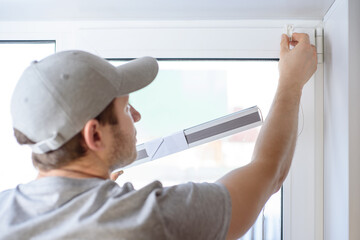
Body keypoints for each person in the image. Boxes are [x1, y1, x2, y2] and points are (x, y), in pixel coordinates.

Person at [0, 33, 317, 240]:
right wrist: (291, 81)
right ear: (94, 135)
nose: (136, 116)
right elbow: (269, 172)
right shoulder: (149, 218)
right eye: (125, 109)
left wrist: (91, 192)